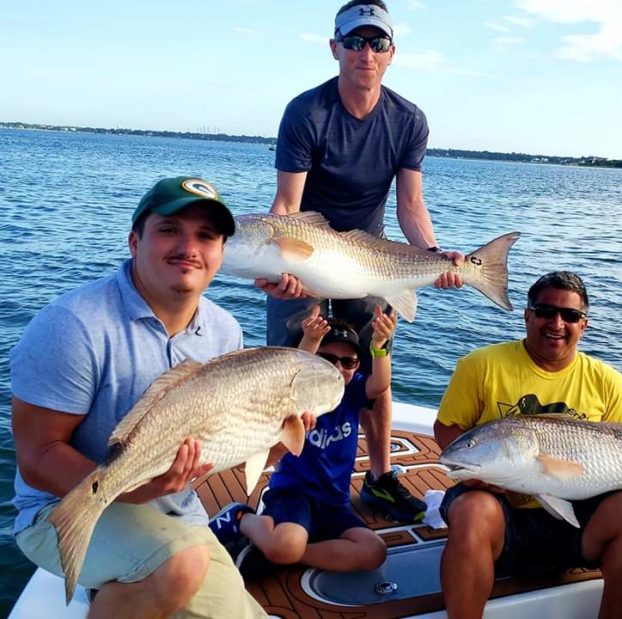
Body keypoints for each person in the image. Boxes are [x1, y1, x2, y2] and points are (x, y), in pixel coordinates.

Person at [10, 177, 266, 617]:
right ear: (134, 241)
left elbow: (227, 433)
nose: (188, 247)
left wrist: (276, 430)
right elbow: (37, 458)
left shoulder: (225, 331)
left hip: (173, 514)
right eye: (169, 229)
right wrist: (131, 487)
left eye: (206, 236)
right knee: (180, 566)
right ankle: (128, 581)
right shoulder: (73, 325)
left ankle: (126, 583)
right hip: (59, 508)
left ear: (221, 253)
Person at [259, 0, 458, 523]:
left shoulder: (409, 119)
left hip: (368, 252)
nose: (365, 53)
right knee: (290, 365)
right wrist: (284, 268)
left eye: (377, 43)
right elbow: (286, 207)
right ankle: (281, 478)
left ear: (392, 54)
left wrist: (433, 258)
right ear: (335, 49)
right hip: (309, 247)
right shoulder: (307, 112)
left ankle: (380, 477)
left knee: (375, 368)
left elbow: (410, 205)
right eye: (354, 42)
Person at [432, 271, 622, 619]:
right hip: (502, 515)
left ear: (583, 325)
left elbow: (619, 451)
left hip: (576, 520)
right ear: (527, 315)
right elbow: (447, 428)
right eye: (544, 311)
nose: (556, 323)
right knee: (471, 510)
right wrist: (472, 474)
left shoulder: (607, 381)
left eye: (570, 315)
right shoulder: (480, 365)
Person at [210, 305, 394, 577]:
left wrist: (379, 346)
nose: (338, 367)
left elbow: (379, 385)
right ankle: (241, 518)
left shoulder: (353, 391)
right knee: (285, 544)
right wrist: (310, 339)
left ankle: (291, 555)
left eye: (348, 362)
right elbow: (294, 368)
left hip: (334, 503)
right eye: (327, 358)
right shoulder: (297, 398)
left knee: (374, 551)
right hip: (293, 496)